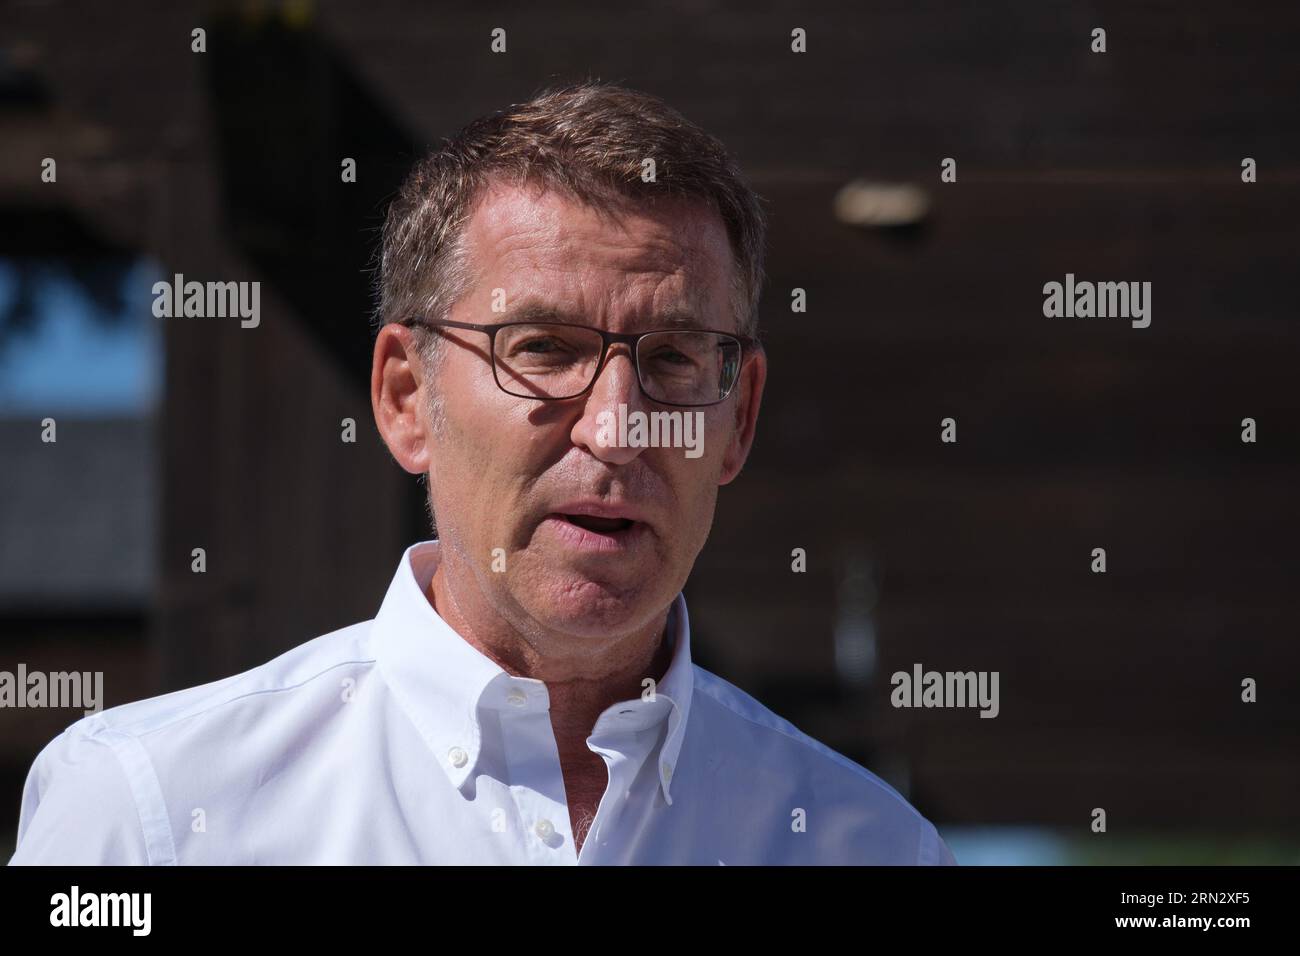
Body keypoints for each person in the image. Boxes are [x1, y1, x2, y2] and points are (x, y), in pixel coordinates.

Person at [10, 82, 955, 865]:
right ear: (406, 398)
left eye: (671, 359)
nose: (617, 427)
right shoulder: (146, 818)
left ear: (737, 418)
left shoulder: (873, 848)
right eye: (543, 348)